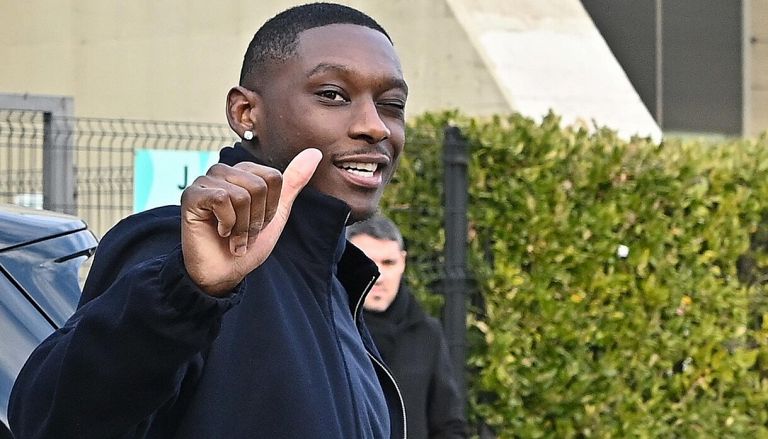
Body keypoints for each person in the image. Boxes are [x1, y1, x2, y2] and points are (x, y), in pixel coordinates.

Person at [9, 3, 410, 438]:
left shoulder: (337, 282)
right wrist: (187, 291)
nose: (375, 126)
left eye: (391, 104)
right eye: (332, 95)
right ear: (245, 112)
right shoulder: (181, 253)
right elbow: (56, 423)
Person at [347, 215, 467, 439]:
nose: (378, 276)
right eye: (367, 262)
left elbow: (448, 423)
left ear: (403, 261)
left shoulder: (426, 333)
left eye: (388, 263)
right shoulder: (330, 330)